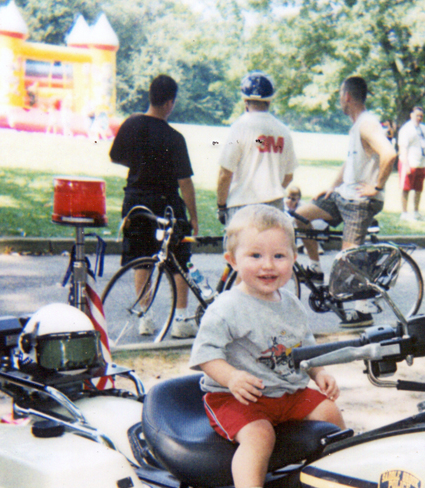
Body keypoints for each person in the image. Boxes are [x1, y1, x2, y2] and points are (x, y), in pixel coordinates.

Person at [190, 205, 345, 488]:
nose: (268, 265)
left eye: (279, 255)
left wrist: (318, 373)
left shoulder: (290, 303)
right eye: (255, 255)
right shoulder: (227, 308)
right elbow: (205, 355)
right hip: (238, 396)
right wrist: (231, 377)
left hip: (287, 390)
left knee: (330, 413)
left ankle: (337, 483)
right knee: (260, 436)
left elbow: (304, 346)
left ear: (293, 257)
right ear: (232, 260)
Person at [294, 76, 396, 328]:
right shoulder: (357, 125)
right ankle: (315, 267)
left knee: (348, 257)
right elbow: (350, 162)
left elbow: (390, 153)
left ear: (347, 96)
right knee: (299, 217)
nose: (339, 99)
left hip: (359, 202)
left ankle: (363, 311)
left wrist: (377, 186)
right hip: (343, 195)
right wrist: (332, 186)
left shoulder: (367, 124)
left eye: (340, 94)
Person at [110, 74, 199, 339]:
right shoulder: (174, 138)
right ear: (170, 102)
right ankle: (181, 319)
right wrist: (193, 216)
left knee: (140, 260)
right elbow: (185, 182)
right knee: (179, 260)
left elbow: (116, 157)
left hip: (136, 201)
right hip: (167, 203)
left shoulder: (131, 124)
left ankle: (145, 317)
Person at [216, 72, 297, 234]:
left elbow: (225, 173)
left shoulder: (239, 127)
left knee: (239, 256)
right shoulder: (283, 131)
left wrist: (221, 205)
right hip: (274, 206)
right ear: (270, 100)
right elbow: (289, 176)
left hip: (242, 205)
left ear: (245, 100)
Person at [398, 106, 425, 221]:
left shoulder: (423, 129)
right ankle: (404, 212)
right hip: (410, 162)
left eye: (421, 116)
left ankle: (416, 212)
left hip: (421, 163)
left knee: (418, 189)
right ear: (411, 115)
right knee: (406, 188)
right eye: (417, 115)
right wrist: (406, 164)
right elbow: (403, 147)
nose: (419, 118)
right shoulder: (406, 129)